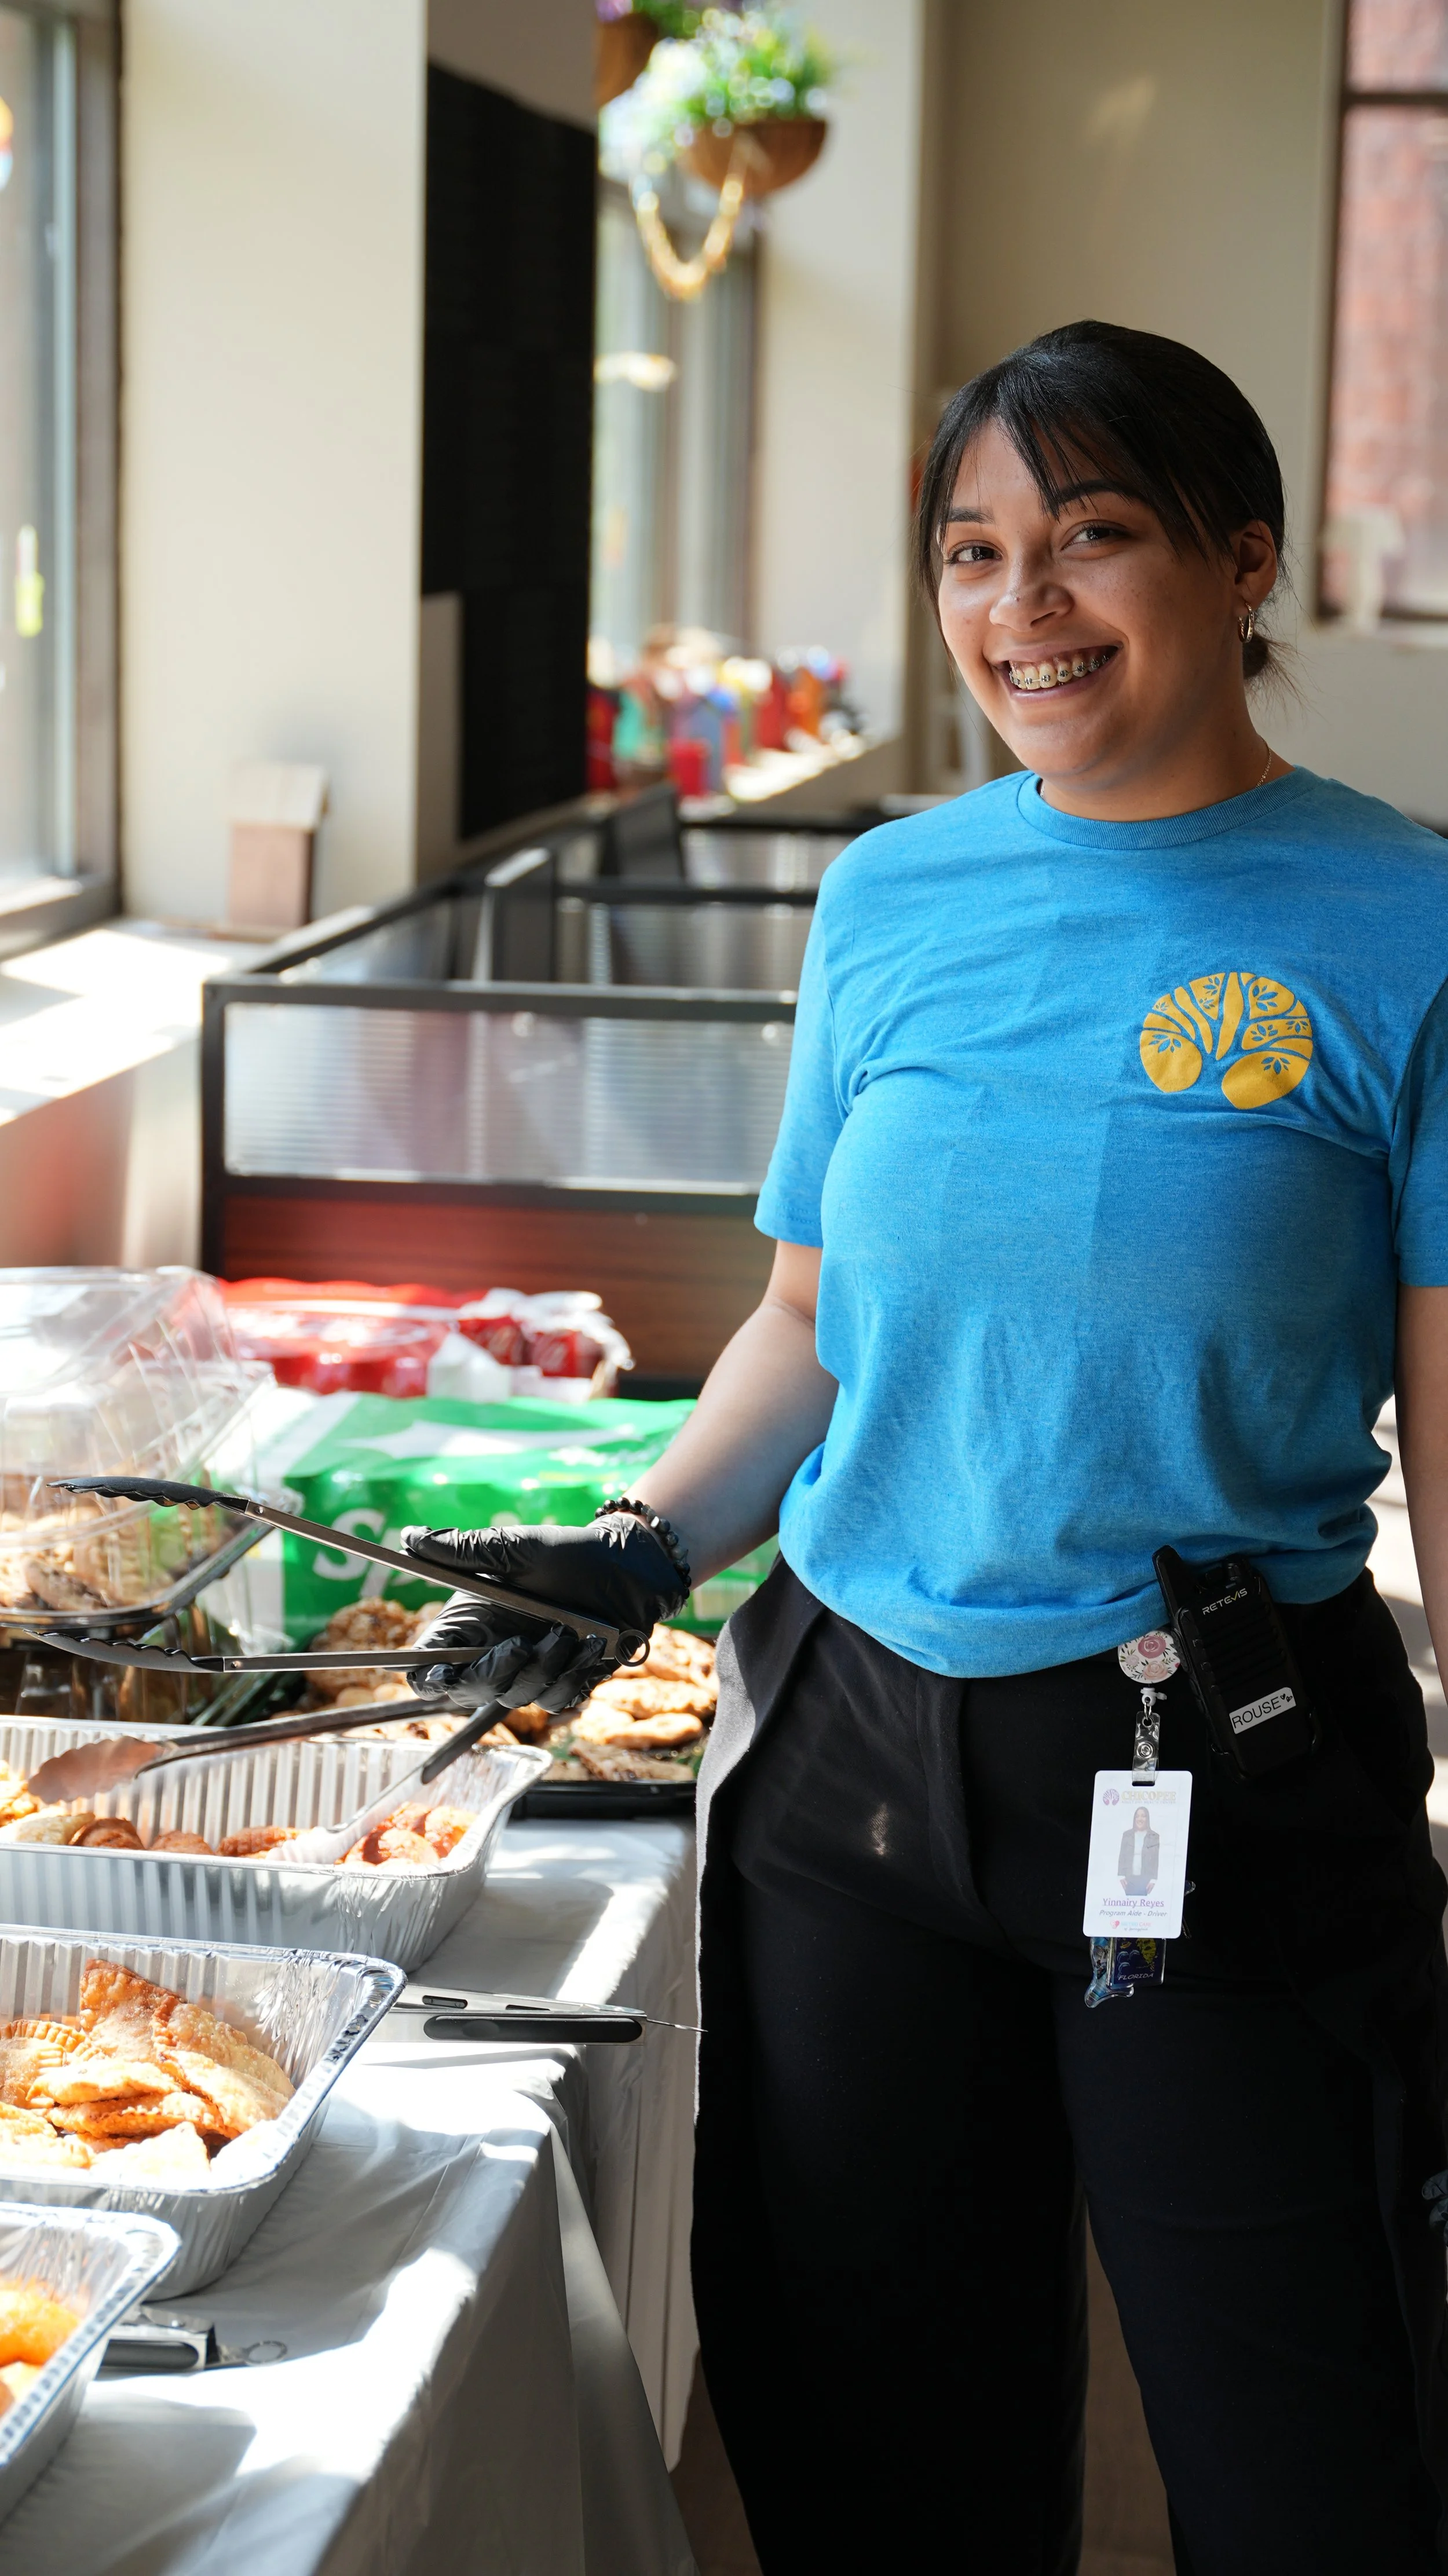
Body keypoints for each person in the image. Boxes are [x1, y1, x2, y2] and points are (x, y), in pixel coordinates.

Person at [401, 321, 1448, 2576]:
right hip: (854, 1772)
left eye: (1092, 535)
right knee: (875, 2463)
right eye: (971, 553)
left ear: (1240, 557)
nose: (1020, 607)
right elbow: (803, 1327)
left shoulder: (1408, 923)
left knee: (1317, 2465)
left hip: (1226, 1770)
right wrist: (639, 1536)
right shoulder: (889, 894)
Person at [1119, 1803, 1160, 1897]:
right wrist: (1121, 1875)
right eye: (1137, 1816)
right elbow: (1122, 1856)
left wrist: (1154, 1879)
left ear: (1147, 1819)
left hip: (1146, 1878)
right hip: (1128, 1878)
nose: (1140, 1819)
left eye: (1143, 1816)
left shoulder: (1154, 1837)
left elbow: (1155, 1860)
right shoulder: (1127, 1835)